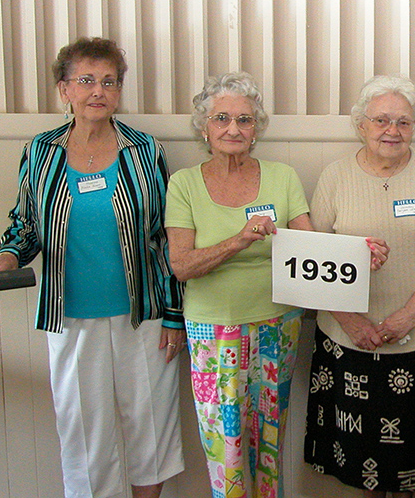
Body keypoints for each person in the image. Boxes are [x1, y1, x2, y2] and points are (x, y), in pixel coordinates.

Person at [165, 72, 387, 498]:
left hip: (277, 325)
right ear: (204, 126)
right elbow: (181, 266)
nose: (234, 129)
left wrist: (360, 255)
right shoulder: (185, 184)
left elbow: (312, 249)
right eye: (222, 118)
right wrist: (239, 240)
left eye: (245, 120)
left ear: (257, 128)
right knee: (225, 450)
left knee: (269, 444)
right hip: (214, 330)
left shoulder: (282, 177)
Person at [0, 37, 184, 498]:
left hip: (144, 315)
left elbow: (167, 237)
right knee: (84, 435)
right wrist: (5, 258)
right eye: (86, 80)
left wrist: (176, 314)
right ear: (64, 89)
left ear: (119, 90)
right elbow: (24, 226)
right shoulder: (41, 152)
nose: (97, 91)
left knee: (150, 427)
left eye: (109, 81)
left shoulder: (145, 151)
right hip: (70, 318)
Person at [303, 75, 415, 497]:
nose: (391, 131)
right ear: (361, 124)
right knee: (362, 466)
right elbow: (310, 260)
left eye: (403, 122)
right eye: (381, 120)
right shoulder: (334, 176)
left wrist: (408, 316)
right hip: (348, 342)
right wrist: (354, 322)